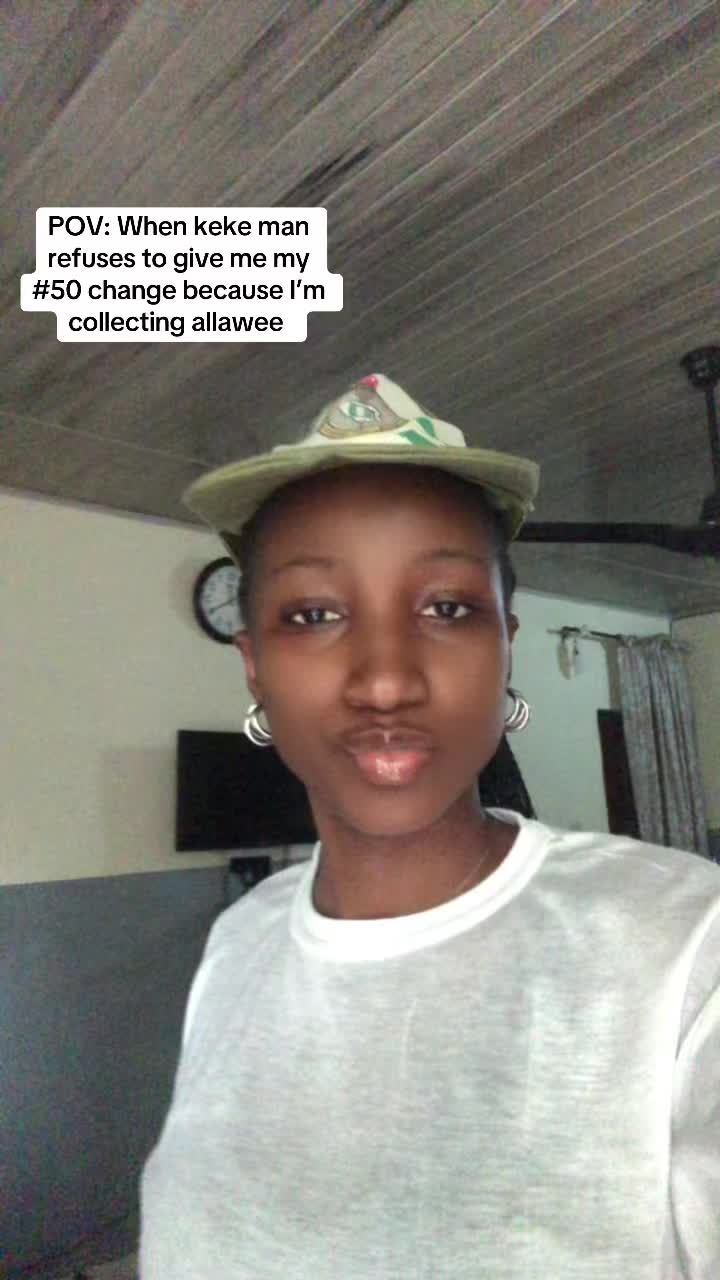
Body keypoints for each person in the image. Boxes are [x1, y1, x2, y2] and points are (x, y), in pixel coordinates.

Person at [139, 375, 720, 1278]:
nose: (385, 681)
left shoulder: (687, 944)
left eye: (447, 609)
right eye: (315, 615)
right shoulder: (237, 941)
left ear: (505, 644)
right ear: (253, 664)